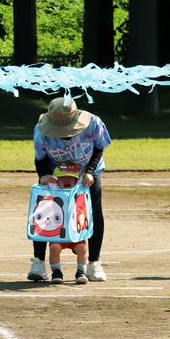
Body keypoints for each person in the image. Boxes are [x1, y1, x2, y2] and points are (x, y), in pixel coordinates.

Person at [28, 97, 111, 283]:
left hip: (86, 174)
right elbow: (40, 158)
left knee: (93, 213)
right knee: (44, 213)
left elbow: (99, 148)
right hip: (53, 175)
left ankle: (93, 263)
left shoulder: (94, 123)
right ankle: (39, 263)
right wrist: (43, 177)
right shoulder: (41, 130)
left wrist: (90, 172)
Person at [37, 163, 90, 284]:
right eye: (62, 177)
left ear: (76, 179)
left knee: (82, 248)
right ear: (56, 180)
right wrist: (48, 178)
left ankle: (81, 272)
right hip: (57, 229)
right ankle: (56, 272)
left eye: (70, 177)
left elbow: (86, 179)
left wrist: (88, 177)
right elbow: (42, 180)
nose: (66, 179)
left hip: (75, 229)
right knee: (54, 248)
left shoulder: (79, 186)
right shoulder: (53, 187)